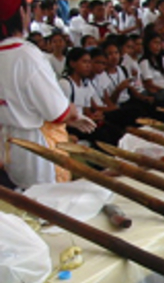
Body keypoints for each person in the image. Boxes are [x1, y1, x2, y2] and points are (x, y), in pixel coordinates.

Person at [0, 0, 95, 189]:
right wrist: (72, 112)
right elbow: (57, 112)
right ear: (21, 13)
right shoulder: (26, 55)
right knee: (47, 199)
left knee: (25, 198)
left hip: (10, 143)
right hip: (37, 148)